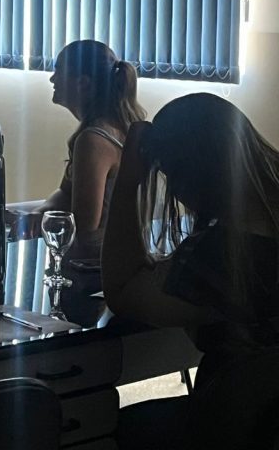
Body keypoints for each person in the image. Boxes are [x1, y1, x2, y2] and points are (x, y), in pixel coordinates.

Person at [103, 93, 279, 449]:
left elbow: (123, 290)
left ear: (188, 178)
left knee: (110, 425)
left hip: (236, 426)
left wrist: (127, 184)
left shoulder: (223, 256)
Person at [38, 40, 145, 259]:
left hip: (96, 269)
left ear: (83, 83)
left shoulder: (93, 140)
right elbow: (65, 193)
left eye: (58, 71)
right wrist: (37, 214)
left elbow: (84, 229)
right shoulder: (120, 129)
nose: (52, 79)